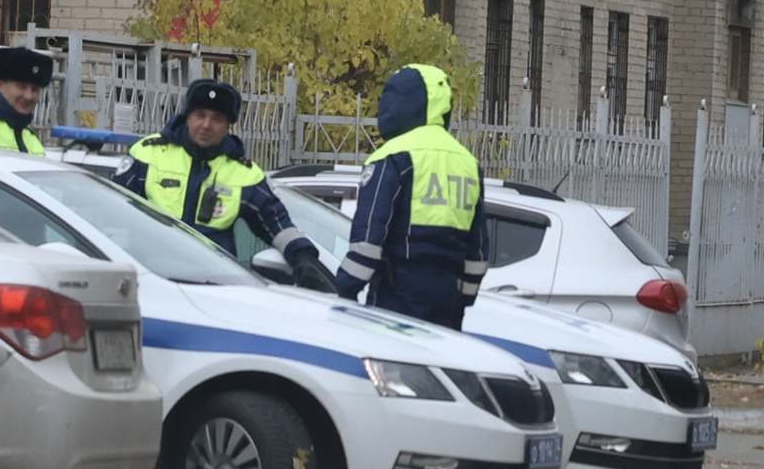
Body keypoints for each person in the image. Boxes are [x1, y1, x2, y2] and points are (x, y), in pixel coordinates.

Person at [115, 78, 328, 285]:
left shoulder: (244, 173)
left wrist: (303, 257)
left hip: (213, 287)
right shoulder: (148, 154)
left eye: (217, 118)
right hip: (151, 281)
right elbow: (110, 213)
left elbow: (276, 222)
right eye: (200, 115)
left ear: (228, 126)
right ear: (187, 116)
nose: (207, 125)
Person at [334, 62, 486, 327]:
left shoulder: (391, 156)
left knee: (390, 366)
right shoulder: (468, 162)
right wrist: (463, 298)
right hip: (448, 299)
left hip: (397, 295)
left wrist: (344, 291)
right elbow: (479, 248)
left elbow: (369, 238)